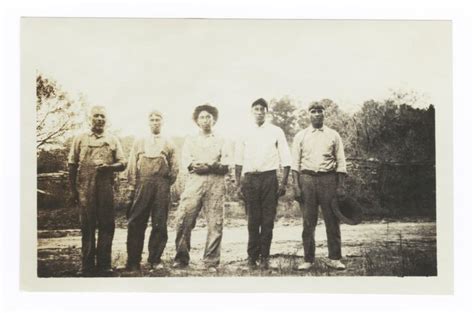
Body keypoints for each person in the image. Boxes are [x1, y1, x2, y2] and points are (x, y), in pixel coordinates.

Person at [68, 106, 126, 276]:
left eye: (102, 116)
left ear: (106, 120)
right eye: (96, 116)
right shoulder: (80, 139)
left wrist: (109, 167)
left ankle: (104, 265)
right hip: (85, 188)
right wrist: (73, 191)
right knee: (87, 226)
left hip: (105, 187)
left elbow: (122, 163)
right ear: (90, 119)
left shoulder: (113, 139)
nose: (99, 119)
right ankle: (86, 266)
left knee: (107, 225)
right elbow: (72, 165)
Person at [234, 98, 291, 270]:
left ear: (266, 112)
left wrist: (283, 183)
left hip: (269, 179)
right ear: (252, 112)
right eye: (256, 109)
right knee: (253, 220)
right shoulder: (244, 132)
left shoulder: (276, 131)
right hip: (250, 179)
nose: (259, 112)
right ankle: (252, 257)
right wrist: (238, 184)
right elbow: (238, 160)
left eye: (262, 109)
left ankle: (264, 256)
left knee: (267, 220)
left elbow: (286, 158)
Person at [172, 104, 230, 272]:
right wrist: (193, 164)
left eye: (208, 117)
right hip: (194, 181)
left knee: (215, 222)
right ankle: (181, 258)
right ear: (197, 121)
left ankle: (211, 262)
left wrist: (210, 167)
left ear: (214, 120)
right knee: (184, 218)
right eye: (202, 117)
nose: (205, 120)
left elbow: (226, 164)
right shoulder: (191, 139)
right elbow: (186, 161)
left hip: (216, 183)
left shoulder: (222, 139)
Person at [292, 102, 347, 270]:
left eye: (320, 111)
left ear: (324, 114)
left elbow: (341, 162)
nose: (316, 114)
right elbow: (295, 163)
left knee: (332, 219)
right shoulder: (301, 136)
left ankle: (335, 258)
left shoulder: (333, 135)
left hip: (328, 179)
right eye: (313, 111)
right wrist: (296, 185)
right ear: (309, 114)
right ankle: (308, 259)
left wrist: (340, 186)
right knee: (308, 221)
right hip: (307, 179)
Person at [125, 111, 179, 272]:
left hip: (162, 186)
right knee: (136, 222)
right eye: (152, 120)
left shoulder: (169, 143)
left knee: (160, 223)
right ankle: (133, 260)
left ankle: (155, 259)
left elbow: (175, 168)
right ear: (148, 123)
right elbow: (132, 166)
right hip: (143, 184)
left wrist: (165, 183)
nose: (155, 122)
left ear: (162, 122)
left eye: (158, 120)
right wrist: (132, 187)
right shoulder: (139, 141)